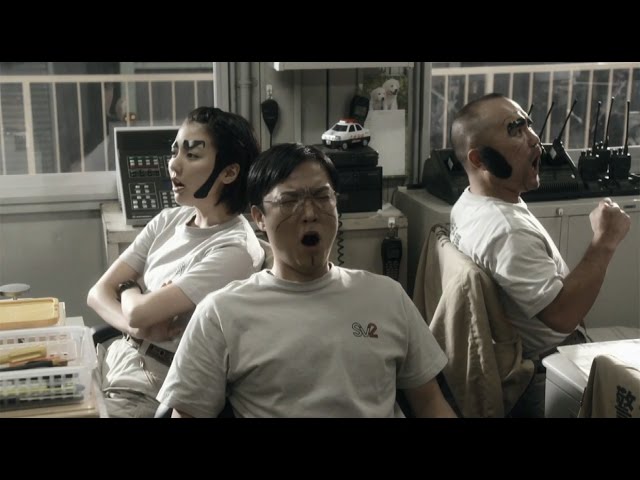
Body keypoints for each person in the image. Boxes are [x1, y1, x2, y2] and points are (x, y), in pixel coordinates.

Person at [156, 143, 456, 418]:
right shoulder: (222, 312)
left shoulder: (387, 296)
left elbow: (430, 402)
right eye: (290, 201)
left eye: (322, 197)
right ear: (259, 217)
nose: (310, 213)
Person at [449, 93, 631, 417]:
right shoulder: (506, 231)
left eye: (528, 126)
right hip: (546, 370)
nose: (535, 139)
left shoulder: (471, 202)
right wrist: (605, 240)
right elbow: (562, 316)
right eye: (515, 130)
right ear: (480, 159)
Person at [87, 106, 265, 417]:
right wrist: (138, 325)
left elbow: (138, 311)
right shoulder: (168, 220)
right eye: (175, 151)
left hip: (154, 380)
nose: (174, 164)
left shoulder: (235, 249)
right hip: (114, 355)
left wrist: (128, 288)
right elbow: (98, 294)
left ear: (229, 172)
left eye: (192, 155)